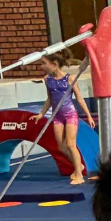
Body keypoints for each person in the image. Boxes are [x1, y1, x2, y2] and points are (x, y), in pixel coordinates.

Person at [37, 53, 94, 185]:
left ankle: (79, 175)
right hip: (57, 116)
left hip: (70, 115)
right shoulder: (47, 79)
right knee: (61, 147)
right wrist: (41, 113)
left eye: (44, 63)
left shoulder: (70, 79)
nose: (42, 66)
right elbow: (50, 99)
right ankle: (78, 165)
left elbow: (79, 98)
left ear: (55, 64)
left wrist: (89, 116)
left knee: (70, 144)